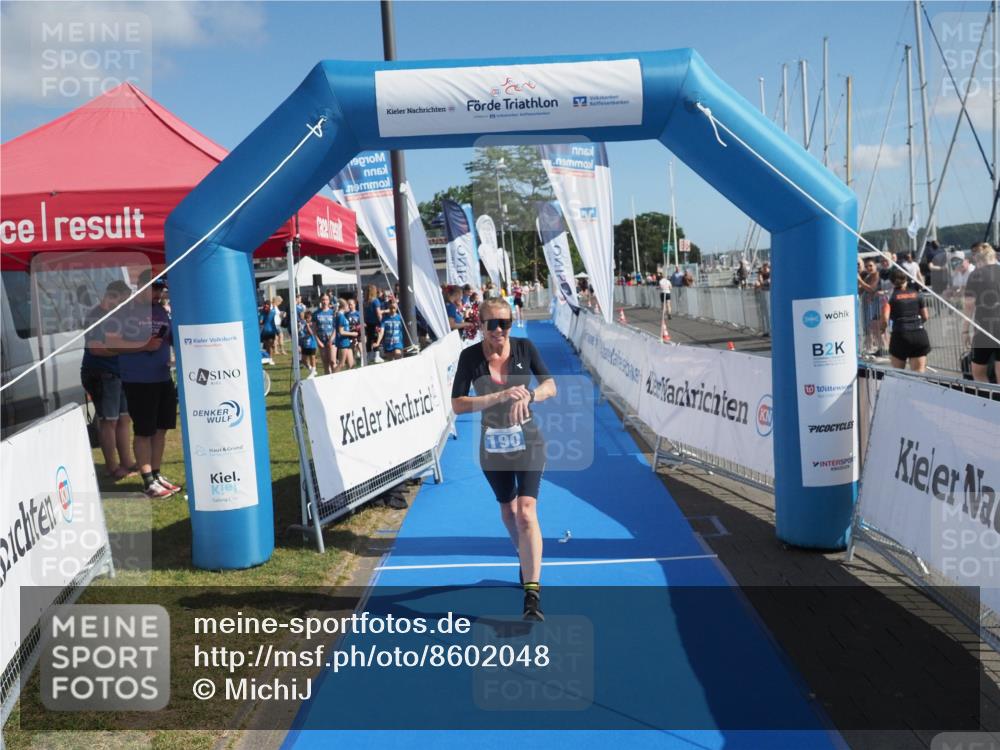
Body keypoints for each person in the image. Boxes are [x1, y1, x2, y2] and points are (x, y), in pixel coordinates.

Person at [451, 297, 557, 621]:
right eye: (492, 324)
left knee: (526, 512)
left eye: (505, 323)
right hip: (492, 445)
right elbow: (457, 403)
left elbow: (551, 385)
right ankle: (523, 553)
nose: (499, 330)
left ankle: (532, 593)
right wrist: (498, 396)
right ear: (480, 326)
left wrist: (531, 395)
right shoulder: (469, 357)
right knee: (509, 511)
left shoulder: (525, 349)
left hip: (529, 440)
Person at [110, 272, 180, 498]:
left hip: (162, 377)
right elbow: (112, 344)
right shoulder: (124, 311)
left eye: (161, 290)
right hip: (138, 380)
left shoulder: (160, 310)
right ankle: (147, 480)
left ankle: (157, 474)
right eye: (155, 289)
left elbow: (169, 338)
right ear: (140, 287)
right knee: (144, 431)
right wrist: (143, 346)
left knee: (161, 429)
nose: (159, 294)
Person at [80, 280, 137, 481]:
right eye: (124, 301)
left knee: (123, 418)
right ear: (112, 296)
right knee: (108, 421)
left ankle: (127, 462)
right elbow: (95, 348)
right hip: (101, 374)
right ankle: (112, 467)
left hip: (118, 373)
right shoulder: (95, 316)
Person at [880, 269, 930, 372]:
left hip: (900, 334)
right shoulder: (917, 294)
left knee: (899, 374)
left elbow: (885, 318)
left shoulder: (890, 297)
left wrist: (882, 329)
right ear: (906, 278)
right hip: (919, 334)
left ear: (891, 281)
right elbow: (925, 316)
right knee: (919, 373)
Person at [963, 243, 1000, 383]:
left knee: (978, 372)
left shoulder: (975, 275)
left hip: (984, 327)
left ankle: (987, 401)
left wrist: (965, 331)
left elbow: (968, 307)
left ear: (978, 260)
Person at [858, 258, 884, 356]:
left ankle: (882, 349)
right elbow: (860, 290)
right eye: (867, 266)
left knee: (877, 327)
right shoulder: (868, 277)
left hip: (877, 305)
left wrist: (860, 281)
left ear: (875, 266)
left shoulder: (877, 275)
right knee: (869, 327)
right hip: (868, 305)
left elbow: (871, 289)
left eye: (871, 265)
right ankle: (871, 348)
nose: (869, 268)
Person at [313, 295, 337, 375]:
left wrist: (331, 339)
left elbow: (336, 327)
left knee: (333, 361)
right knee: (325, 363)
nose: (324, 301)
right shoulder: (316, 313)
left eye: (326, 300)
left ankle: (335, 377)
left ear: (329, 301)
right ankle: (327, 379)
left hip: (332, 339)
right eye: (323, 300)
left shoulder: (333, 312)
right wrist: (318, 341)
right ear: (320, 301)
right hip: (321, 340)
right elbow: (314, 330)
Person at [334, 298, 358, 371]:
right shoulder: (341, 316)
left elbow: (344, 329)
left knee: (351, 364)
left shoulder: (342, 315)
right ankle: (332, 378)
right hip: (343, 342)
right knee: (341, 364)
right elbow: (341, 332)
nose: (349, 307)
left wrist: (351, 330)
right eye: (347, 305)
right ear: (344, 306)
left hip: (346, 342)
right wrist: (352, 334)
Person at [299, 310, 318, 378]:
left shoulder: (313, 324)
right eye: (306, 317)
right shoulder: (303, 324)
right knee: (303, 360)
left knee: (312, 358)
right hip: (305, 344)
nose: (307, 319)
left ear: (311, 318)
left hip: (312, 344)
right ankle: (311, 370)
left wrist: (308, 326)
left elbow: (312, 333)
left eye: (308, 317)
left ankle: (313, 371)